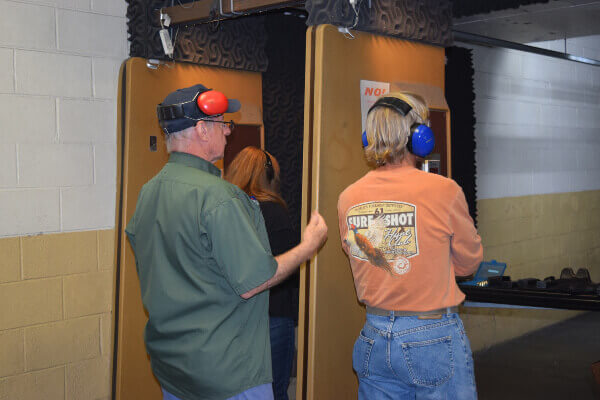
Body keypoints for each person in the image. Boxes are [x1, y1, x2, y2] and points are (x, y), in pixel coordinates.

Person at [125, 84, 327, 400]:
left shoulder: (148, 193)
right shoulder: (220, 197)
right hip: (229, 377)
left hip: (174, 373)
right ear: (203, 130)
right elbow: (254, 280)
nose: (228, 133)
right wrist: (307, 247)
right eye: (223, 124)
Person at [337, 92, 483, 399]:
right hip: (432, 335)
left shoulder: (348, 197)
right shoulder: (444, 191)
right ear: (420, 137)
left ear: (370, 137)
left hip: (374, 336)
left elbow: (364, 258)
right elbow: (469, 264)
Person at [225, 147, 298, 400]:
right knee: (275, 391)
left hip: (233, 319)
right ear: (267, 175)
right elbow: (287, 269)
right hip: (273, 316)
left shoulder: (226, 210)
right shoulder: (274, 211)